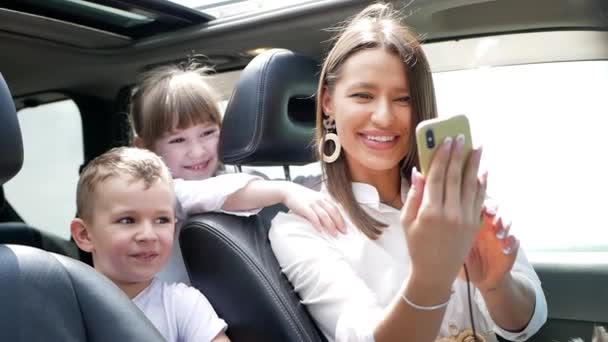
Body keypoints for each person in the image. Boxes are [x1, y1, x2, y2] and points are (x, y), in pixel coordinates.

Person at [269, 3, 547, 342]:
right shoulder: (300, 227)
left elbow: (526, 323)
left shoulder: (454, 192)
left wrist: (495, 283)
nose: (384, 117)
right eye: (363, 95)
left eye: (403, 99)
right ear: (328, 102)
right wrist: (430, 276)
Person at [129, 61, 345, 285]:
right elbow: (205, 195)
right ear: (145, 148)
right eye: (178, 140)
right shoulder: (160, 194)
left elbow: (295, 189)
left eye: (208, 133)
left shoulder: (234, 176)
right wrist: (285, 191)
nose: (197, 151)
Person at [70, 147, 230, 342]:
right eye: (127, 220)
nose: (148, 235)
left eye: (161, 220)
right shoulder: (65, 308)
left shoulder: (182, 305)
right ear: (85, 235)